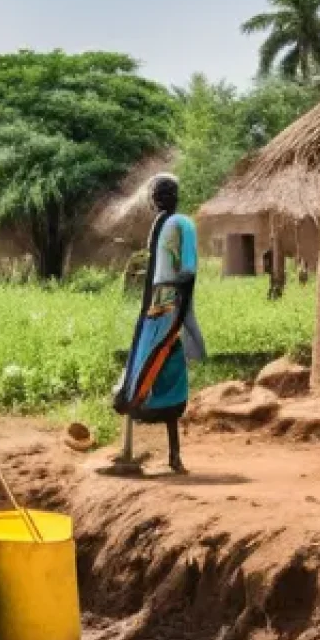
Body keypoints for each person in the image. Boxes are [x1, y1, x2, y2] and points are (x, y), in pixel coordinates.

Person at [107, 175, 205, 476]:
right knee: (162, 364)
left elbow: (177, 269)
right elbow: (185, 268)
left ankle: (162, 447)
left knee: (155, 362)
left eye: (159, 194)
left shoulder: (168, 225)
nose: (158, 199)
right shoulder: (176, 225)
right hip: (167, 304)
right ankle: (170, 454)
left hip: (162, 305)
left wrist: (181, 314)